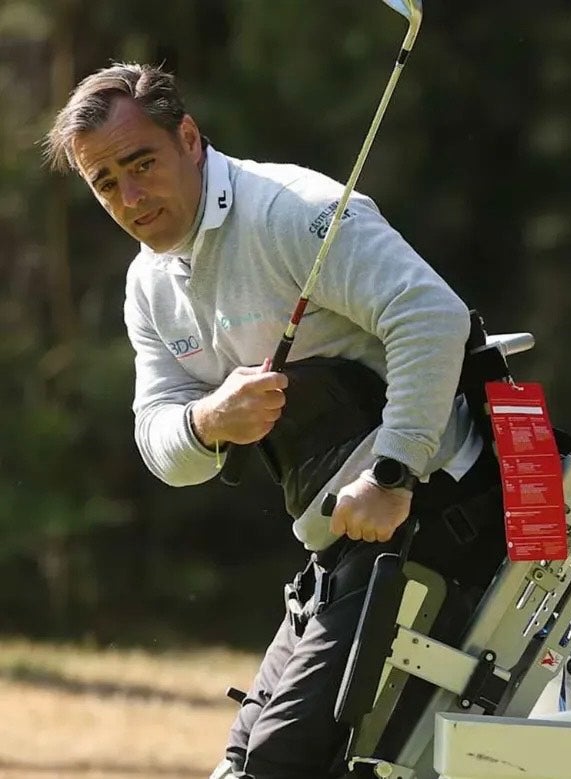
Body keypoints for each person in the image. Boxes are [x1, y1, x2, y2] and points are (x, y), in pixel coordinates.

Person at [44, 62, 508, 778]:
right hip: (343, 544)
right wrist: (208, 419)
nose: (131, 197)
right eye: (106, 182)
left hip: (437, 511)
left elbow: (432, 315)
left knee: (280, 761)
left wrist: (393, 473)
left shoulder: (291, 211)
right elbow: (160, 442)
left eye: (142, 164)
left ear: (190, 139)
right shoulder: (148, 285)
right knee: (241, 758)